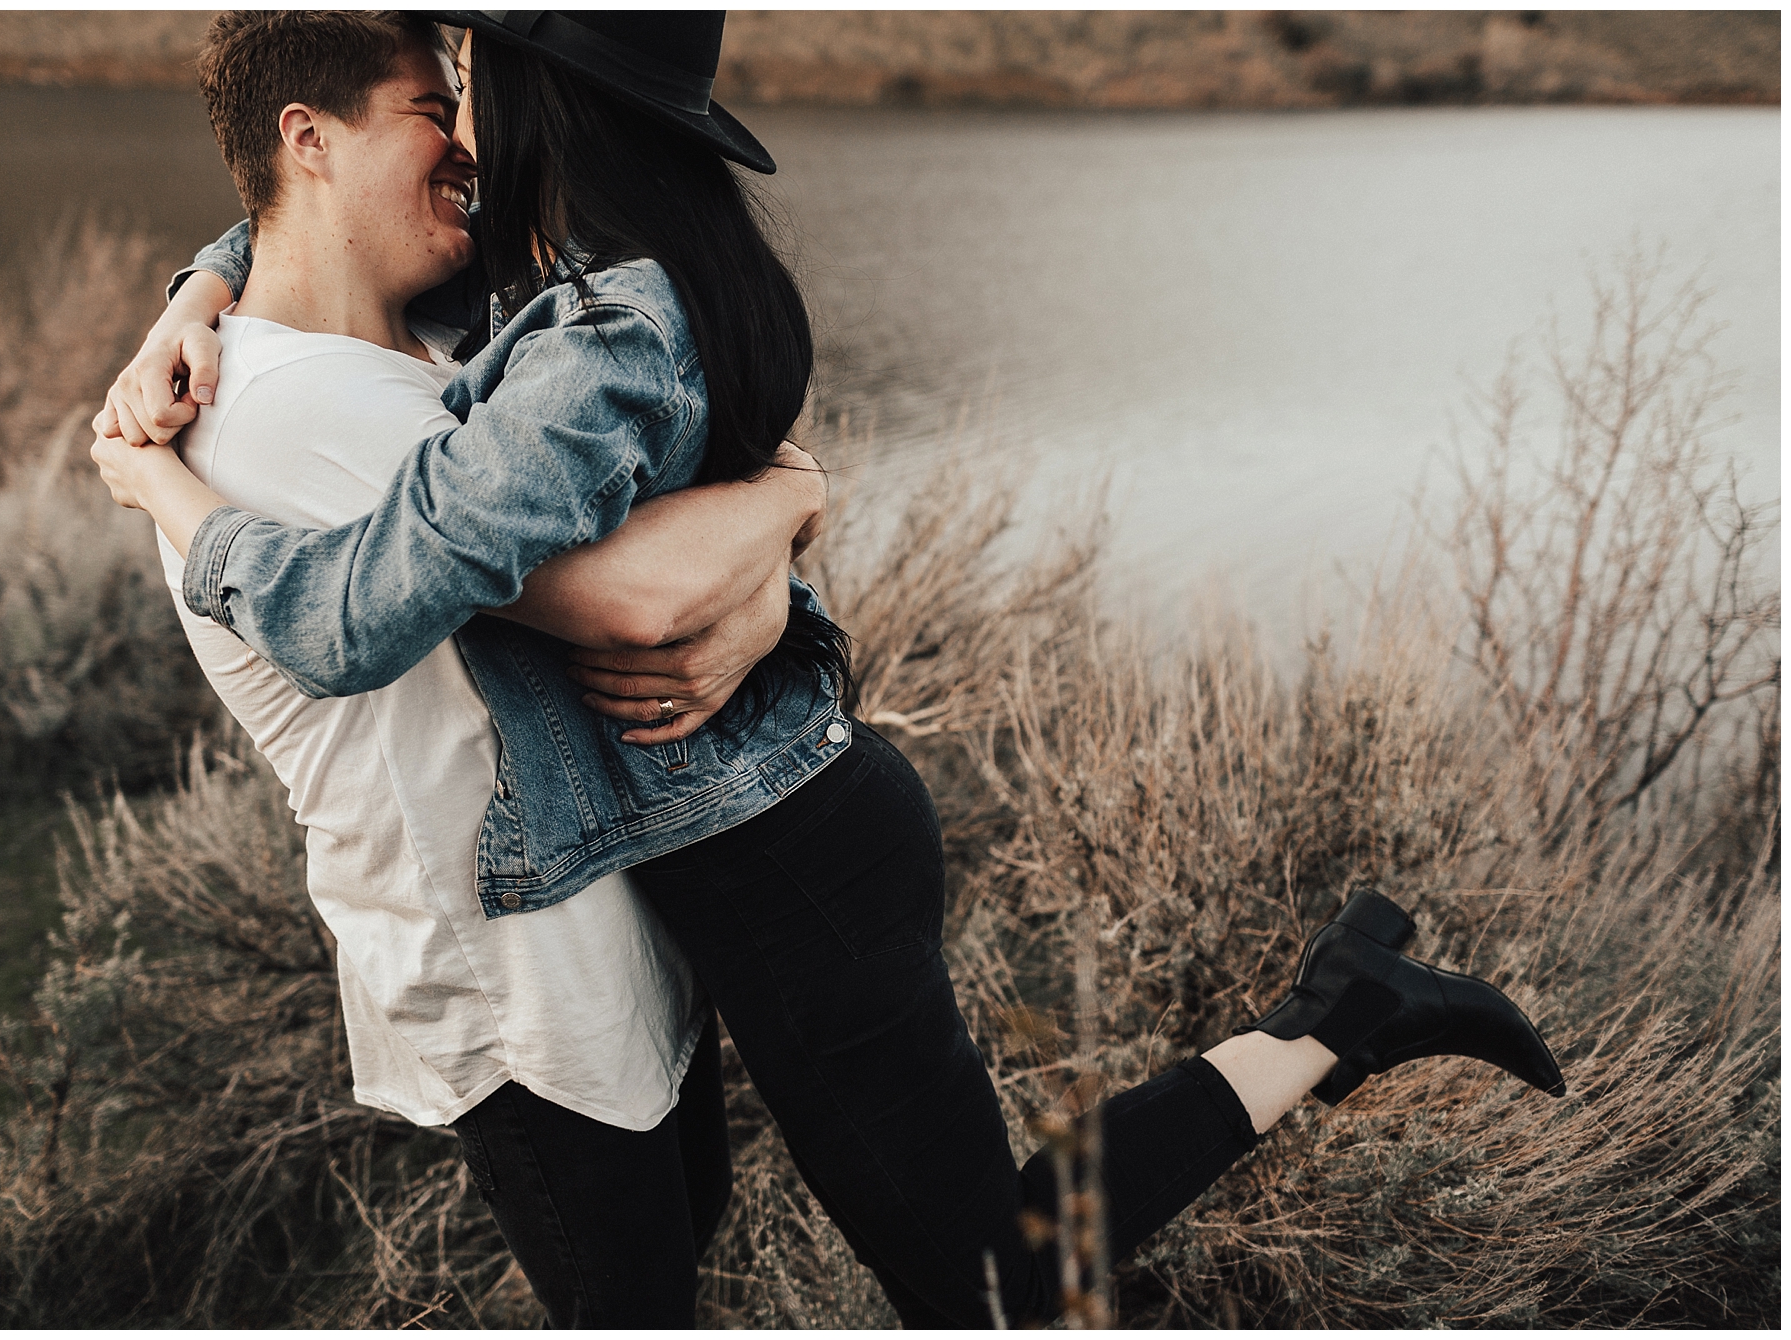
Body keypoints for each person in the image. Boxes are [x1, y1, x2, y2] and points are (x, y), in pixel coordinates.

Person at [95, 12, 1565, 1328]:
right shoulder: (513, 295)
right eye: (438, 96)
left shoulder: (582, 323)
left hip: (782, 864)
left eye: (465, 87)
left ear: (548, 106)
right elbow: (294, 233)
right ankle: (1343, 1012)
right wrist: (200, 288)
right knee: (925, 1265)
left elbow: (579, 597)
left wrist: (154, 481)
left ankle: (1339, 1017)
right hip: (730, 860)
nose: (461, 129)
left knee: (990, 1286)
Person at [96, 13, 838, 1326]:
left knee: (685, 1244)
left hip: (606, 925)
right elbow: (638, 595)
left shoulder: (438, 340)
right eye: (431, 113)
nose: (470, 147)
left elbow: (266, 241)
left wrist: (195, 289)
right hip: (522, 993)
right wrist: (786, 498)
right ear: (309, 139)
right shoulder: (291, 409)